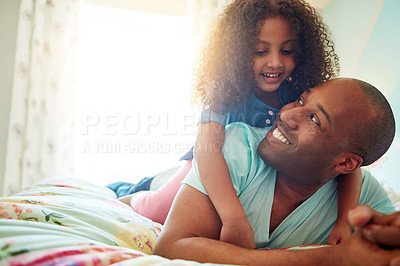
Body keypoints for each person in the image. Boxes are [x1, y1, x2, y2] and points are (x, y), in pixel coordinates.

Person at [112, 0, 359, 247]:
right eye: (260, 51)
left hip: (254, 178)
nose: (275, 62)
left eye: (287, 51)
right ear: (237, 51)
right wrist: (233, 218)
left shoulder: (300, 96)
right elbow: (206, 151)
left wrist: (344, 221)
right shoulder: (224, 91)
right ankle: (130, 193)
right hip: (212, 164)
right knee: (157, 209)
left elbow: (347, 156)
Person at [153, 78, 399, 265]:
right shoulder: (238, 146)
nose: (286, 113)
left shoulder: (366, 198)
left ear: (346, 164)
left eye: (313, 119)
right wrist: (325, 258)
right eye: (301, 100)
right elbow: (170, 247)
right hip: (177, 174)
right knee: (149, 200)